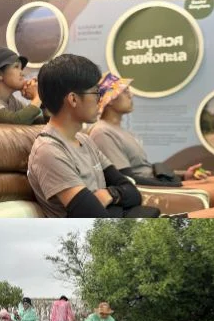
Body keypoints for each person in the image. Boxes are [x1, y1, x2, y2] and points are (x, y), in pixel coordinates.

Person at [25, 54, 156, 218]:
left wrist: (111, 195)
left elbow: (133, 193)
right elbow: (93, 217)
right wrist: (119, 196)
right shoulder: (49, 151)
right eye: (96, 93)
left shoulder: (85, 140)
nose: (100, 100)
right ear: (73, 99)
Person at [91, 73, 214, 207]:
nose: (131, 95)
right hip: (150, 192)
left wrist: (183, 177)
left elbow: (144, 170)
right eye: (125, 91)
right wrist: (177, 186)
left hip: (158, 184)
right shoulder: (102, 132)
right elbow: (126, 180)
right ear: (110, 100)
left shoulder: (124, 132)